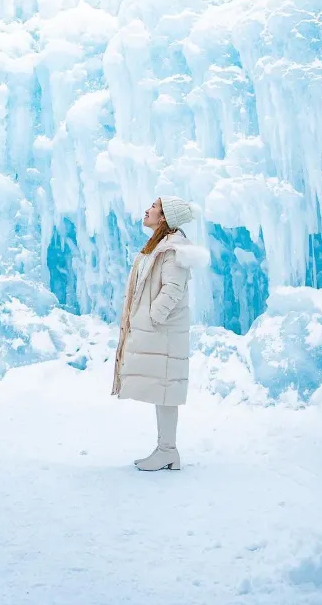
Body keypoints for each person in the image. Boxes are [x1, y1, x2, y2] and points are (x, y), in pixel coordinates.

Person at [111, 195, 210, 471]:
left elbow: (172, 289)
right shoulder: (161, 247)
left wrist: (154, 316)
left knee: (165, 391)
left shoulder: (172, 251)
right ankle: (165, 450)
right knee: (162, 391)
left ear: (164, 217)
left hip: (164, 333)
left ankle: (168, 451)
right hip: (161, 333)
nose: (147, 209)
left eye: (154, 206)